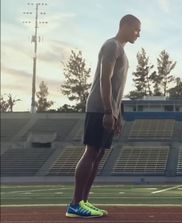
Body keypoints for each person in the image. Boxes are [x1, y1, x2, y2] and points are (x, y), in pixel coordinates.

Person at [66, 14, 141, 218]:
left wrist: (118, 115)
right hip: (100, 108)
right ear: (125, 26)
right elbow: (104, 80)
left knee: (98, 156)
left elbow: (118, 88)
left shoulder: (122, 52)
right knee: (91, 153)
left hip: (110, 110)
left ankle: (84, 202)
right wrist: (108, 111)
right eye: (136, 29)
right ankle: (74, 204)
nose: (139, 34)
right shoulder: (111, 46)